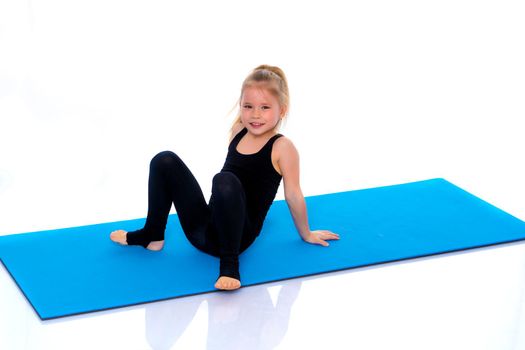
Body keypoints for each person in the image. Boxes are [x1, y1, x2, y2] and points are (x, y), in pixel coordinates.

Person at [110, 65, 339, 291]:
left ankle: (229, 266)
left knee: (224, 180)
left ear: (283, 110)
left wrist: (306, 233)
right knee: (164, 160)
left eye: (265, 107)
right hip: (205, 230)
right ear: (240, 106)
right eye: (248, 106)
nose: (255, 114)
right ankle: (153, 234)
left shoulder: (282, 147)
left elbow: (293, 193)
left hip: (237, 239)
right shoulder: (239, 130)